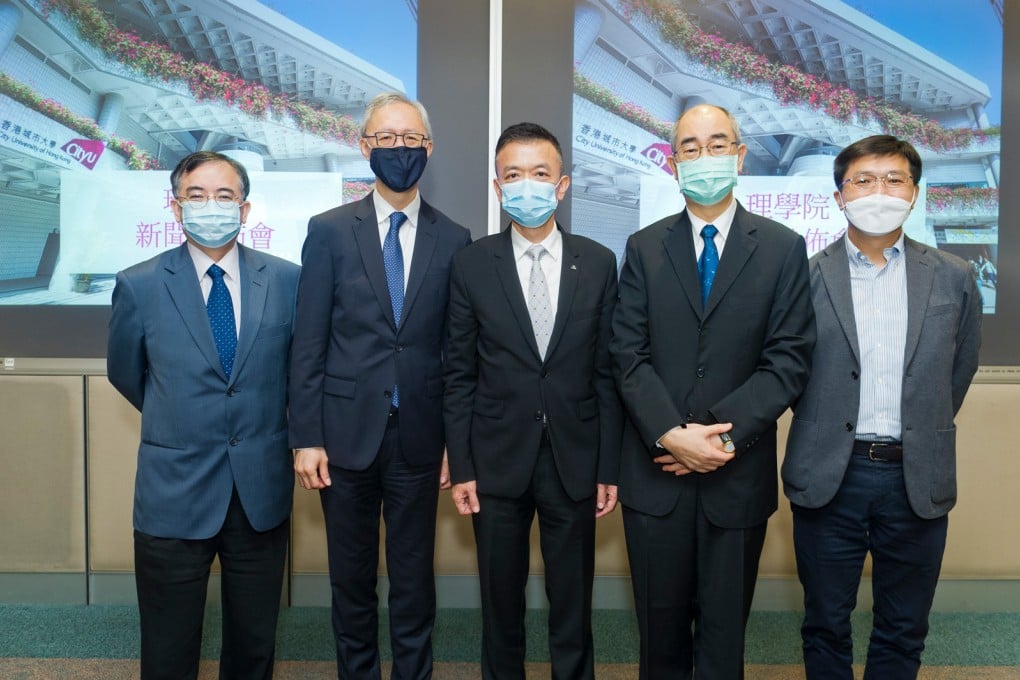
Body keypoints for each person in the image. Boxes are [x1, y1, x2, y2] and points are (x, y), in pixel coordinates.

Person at [610, 103, 815, 679]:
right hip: (656, 476)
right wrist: (673, 435)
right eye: (691, 147)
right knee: (660, 640)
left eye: (718, 144)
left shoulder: (781, 247)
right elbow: (626, 353)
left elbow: (788, 359)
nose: (705, 157)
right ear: (674, 162)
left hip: (736, 475)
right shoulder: (645, 247)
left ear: (741, 155)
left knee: (725, 643)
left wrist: (717, 440)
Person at [782, 134, 982, 679]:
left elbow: (955, 376)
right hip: (829, 473)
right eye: (863, 180)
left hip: (916, 475)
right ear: (838, 196)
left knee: (903, 627)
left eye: (894, 179)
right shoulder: (801, 275)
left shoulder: (955, 277)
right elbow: (785, 370)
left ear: (914, 193)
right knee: (825, 622)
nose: (879, 191)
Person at [288, 92, 471, 679]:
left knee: (415, 583)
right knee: (352, 580)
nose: (399, 149)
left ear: (429, 148)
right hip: (343, 438)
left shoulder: (455, 238)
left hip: (421, 438)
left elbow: (456, 351)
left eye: (411, 139)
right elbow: (309, 341)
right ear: (365, 146)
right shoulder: (330, 231)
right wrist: (306, 436)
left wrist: (455, 444)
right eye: (386, 138)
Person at [107, 150, 300, 680]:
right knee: (169, 649)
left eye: (224, 196)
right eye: (196, 196)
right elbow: (128, 374)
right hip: (174, 491)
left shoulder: (287, 280)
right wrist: (183, 418)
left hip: (259, 491)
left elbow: (298, 374)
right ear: (175, 208)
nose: (210, 207)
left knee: (253, 646)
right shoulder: (139, 283)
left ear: (245, 209)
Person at [444, 122, 623, 679]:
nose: (528, 185)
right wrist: (463, 463)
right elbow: (459, 373)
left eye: (540, 174)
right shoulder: (473, 263)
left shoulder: (597, 262)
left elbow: (607, 373)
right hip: (496, 460)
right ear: (498, 187)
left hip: (575, 457)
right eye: (514, 175)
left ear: (562, 185)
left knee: (573, 604)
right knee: (501, 605)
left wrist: (608, 464)